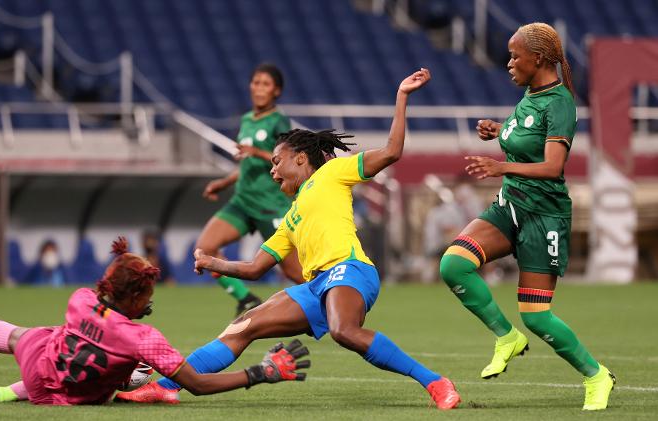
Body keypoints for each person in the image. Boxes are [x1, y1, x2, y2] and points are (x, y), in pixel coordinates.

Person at [117, 69, 461, 410]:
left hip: (350, 269)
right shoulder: (291, 217)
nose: (272, 170)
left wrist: (401, 97)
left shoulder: (332, 172)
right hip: (316, 287)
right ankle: (164, 387)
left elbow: (391, 151)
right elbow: (254, 269)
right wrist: (211, 262)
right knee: (241, 326)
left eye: (277, 161)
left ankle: (436, 382)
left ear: (300, 157)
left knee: (344, 331)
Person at [438, 22, 615, 410]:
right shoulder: (530, 96)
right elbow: (527, 136)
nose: (509, 62)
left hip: (543, 216)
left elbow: (553, 167)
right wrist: (500, 131)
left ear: (539, 58)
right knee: (454, 264)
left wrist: (501, 167)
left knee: (536, 316)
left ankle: (596, 376)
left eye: (515, 55)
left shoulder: (561, 102)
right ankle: (506, 337)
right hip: (510, 206)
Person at [0, 237, 309, 405]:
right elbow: (196, 384)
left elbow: (102, 315)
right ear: (133, 296)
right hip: (71, 398)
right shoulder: (143, 337)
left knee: (23, 337)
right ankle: (0, 393)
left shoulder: (80, 300)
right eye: (147, 295)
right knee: (126, 371)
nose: (150, 300)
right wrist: (259, 373)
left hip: (41, 368)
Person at [200, 63, 305, 316]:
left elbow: (289, 160)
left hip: (271, 205)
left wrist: (257, 152)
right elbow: (248, 165)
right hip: (243, 202)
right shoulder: (247, 120)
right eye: (256, 82)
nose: (259, 88)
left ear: (276, 91)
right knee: (205, 248)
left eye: (265, 84)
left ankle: (333, 302)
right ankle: (245, 298)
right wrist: (224, 182)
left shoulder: (278, 120)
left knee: (293, 272)